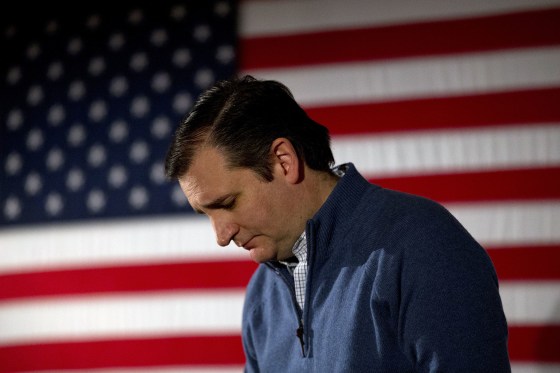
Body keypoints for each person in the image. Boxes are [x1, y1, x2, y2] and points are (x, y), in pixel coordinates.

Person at [164, 75, 511, 372]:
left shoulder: (424, 246)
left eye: (227, 203)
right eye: (206, 214)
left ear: (284, 162)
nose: (221, 236)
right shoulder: (261, 295)